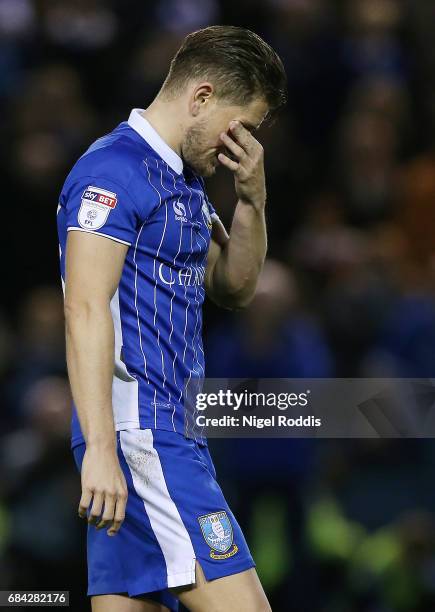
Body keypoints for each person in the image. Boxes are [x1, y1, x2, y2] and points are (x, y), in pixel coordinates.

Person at [56, 25, 287, 612]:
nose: (242, 145)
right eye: (242, 127)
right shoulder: (113, 173)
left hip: (167, 433)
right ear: (202, 97)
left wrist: (253, 199)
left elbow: (234, 286)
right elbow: (84, 309)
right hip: (142, 439)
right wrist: (105, 450)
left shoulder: (182, 182)